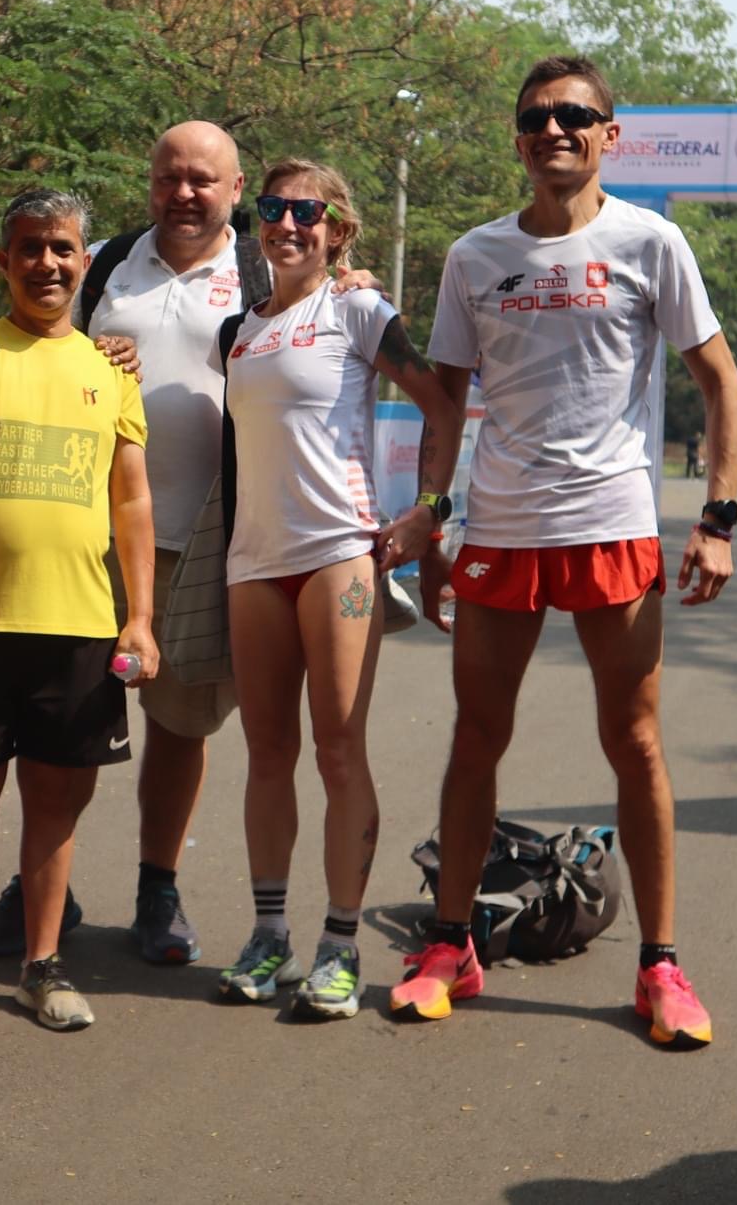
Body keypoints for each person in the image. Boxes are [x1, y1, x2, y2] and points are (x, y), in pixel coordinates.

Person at [400, 55, 737, 1048]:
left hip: (609, 527)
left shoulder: (650, 241)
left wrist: (715, 519)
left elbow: (720, 381)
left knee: (632, 745)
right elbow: (446, 403)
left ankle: (660, 966)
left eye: (573, 117)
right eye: (536, 118)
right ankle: (449, 945)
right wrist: (433, 516)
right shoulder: (472, 256)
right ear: (517, 137)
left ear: (607, 135)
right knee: (476, 737)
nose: (553, 130)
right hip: (501, 529)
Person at [0, 120, 382, 968]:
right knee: (65, 724)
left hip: (213, 535)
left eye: (205, 180)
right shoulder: (99, 261)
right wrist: (87, 352)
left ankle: (157, 886)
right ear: (150, 180)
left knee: (181, 725)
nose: (185, 193)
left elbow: (332, 300)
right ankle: (35, 884)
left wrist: (349, 274)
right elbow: (35, 338)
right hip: (89, 532)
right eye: (170, 176)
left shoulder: (263, 269)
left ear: (236, 191)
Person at [213, 160, 464, 1020]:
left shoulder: (358, 309)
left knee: (337, 749)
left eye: (306, 212)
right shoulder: (237, 331)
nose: (286, 224)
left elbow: (442, 405)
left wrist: (428, 512)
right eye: (272, 209)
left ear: (338, 228)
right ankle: (270, 933)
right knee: (267, 753)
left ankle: (341, 944)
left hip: (337, 559)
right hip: (253, 562)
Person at [0, 189, 156, 1035]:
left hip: (81, 626)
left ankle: (42, 965)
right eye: (31, 248)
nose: (48, 263)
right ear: (3, 261)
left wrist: (141, 617)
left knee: (57, 802)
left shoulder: (110, 369)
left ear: (85, 261)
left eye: (64, 249)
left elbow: (132, 503)